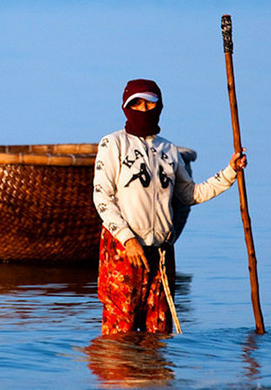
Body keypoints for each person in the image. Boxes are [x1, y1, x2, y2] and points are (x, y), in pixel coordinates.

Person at [93, 79, 247, 335]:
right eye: (137, 103)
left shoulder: (169, 150)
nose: (143, 109)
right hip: (124, 251)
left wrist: (231, 172)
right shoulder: (113, 144)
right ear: (126, 106)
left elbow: (191, 194)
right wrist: (127, 239)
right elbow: (102, 198)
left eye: (149, 103)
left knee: (159, 333)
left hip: (162, 253)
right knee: (120, 335)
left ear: (159, 106)